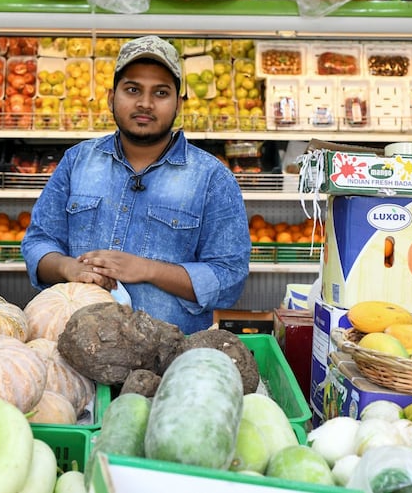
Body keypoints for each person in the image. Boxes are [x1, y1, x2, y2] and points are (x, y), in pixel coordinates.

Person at [21, 35, 251, 333]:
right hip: (76, 352)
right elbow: (39, 242)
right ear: (110, 97)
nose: (145, 103)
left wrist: (148, 270)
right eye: (132, 89)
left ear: (179, 105)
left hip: (166, 362)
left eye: (161, 93)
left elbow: (229, 277)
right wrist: (68, 268)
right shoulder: (77, 161)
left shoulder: (212, 178)